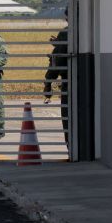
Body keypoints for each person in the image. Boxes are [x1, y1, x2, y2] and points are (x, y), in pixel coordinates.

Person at [43, 14, 69, 144]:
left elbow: (57, 60)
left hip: (69, 83)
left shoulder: (66, 33)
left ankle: (72, 149)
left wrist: (48, 83)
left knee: (69, 119)